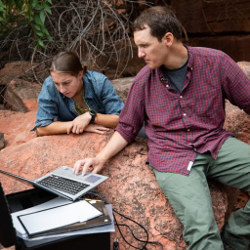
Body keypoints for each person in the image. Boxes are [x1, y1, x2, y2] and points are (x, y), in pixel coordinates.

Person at [73, 6, 250, 250]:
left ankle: (237, 238)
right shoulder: (144, 80)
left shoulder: (215, 62)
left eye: (144, 45)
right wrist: (100, 158)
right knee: (203, 231)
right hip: (172, 157)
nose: (139, 54)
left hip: (214, 143)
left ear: (167, 39)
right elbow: (127, 127)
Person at [35, 51, 124, 136]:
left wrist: (91, 116)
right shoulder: (49, 85)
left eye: (66, 83)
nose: (61, 90)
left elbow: (121, 119)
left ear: (80, 74)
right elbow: (41, 128)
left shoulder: (99, 83)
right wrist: (80, 126)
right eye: (56, 84)